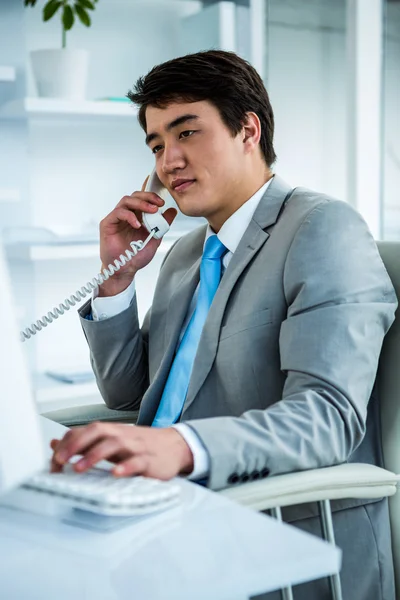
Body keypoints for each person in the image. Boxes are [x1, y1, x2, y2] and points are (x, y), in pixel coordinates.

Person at [50, 50, 397, 599]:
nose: (169, 161)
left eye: (187, 132)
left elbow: (326, 418)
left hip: (268, 532)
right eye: (158, 144)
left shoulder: (322, 228)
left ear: (247, 130)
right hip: (160, 518)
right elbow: (129, 394)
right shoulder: (186, 252)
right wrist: (116, 278)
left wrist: (180, 448)